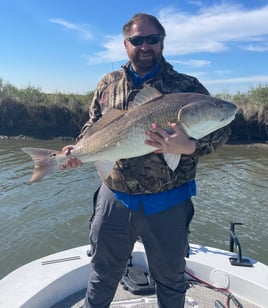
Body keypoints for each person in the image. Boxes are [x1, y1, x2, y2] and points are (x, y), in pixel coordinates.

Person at [61, 13, 231, 308]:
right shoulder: (108, 83)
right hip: (114, 195)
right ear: (125, 44)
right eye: (137, 40)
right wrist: (78, 149)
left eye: (152, 39)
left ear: (162, 42)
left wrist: (189, 146)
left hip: (169, 201)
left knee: (171, 279)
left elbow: (223, 128)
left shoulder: (185, 86)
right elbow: (92, 125)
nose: (145, 46)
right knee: (102, 274)